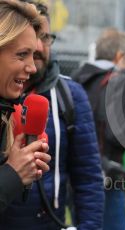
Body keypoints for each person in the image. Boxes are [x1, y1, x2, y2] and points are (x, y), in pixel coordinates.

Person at [0, 1, 104, 229]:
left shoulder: (70, 95)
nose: (33, 61)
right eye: (22, 53)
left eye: (45, 37)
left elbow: (88, 178)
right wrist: (12, 174)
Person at [72, 28, 125, 230]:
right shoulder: (121, 81)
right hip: (106, 177)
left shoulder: (75, 80)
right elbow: (115, 132)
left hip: (75, 177)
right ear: (119, 56)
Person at [0, 0, 51, 213]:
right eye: (22, 54)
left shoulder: (8, 112)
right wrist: (12, 173)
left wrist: (16, 164)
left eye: (32, 54)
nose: (31, 67)